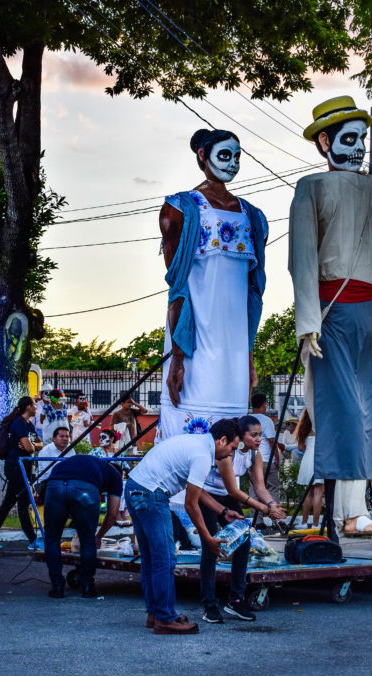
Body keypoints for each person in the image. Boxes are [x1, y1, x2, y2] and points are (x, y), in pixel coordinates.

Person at [288, 95, 372, 543]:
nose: (358, 147)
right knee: (344, 412)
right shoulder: (310, 187)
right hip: (331, 312)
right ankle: (348, 513)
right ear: (325, 141)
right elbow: (302, 258)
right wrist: (307, 320)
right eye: (350, 138)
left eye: (363, 138)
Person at [158, 128, 268, 444]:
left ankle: (227, 490)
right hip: (195, 338)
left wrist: (248, 355)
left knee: (232, 423)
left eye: (237, 156)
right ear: (203, 156)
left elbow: (252, 291)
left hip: (234, 342)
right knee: (190, 418)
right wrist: (177, 357)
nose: (232, 163)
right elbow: (177, 286)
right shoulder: (181, 209)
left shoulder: (254, 216)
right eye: (224, 155)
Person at [126, 419, 254, 635]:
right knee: (166, 559)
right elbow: (191, 503)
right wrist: (208, 538)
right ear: (222, 440)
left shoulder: (196, 444)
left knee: (151, 559)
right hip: (151, 494)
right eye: (232, 448)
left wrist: (222, 511)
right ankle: (165, 619)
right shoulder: (203, 456)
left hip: (135, 487)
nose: (230, 455)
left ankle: (155, 613)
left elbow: (199, 491)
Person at [198, 415, 285, 623]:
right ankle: (209, 605)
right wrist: (263, 509)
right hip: (207, 495)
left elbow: (260, 487)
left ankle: (235, 600)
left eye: (260, 435)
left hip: (228, 496)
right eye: (253, 435)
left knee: (244, 542)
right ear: (241, 435)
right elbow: (234, 490)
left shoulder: (255, 455)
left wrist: (272, 505)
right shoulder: (227, 453)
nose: (258, 440)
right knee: (211, 547)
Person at [42, 453, 123, 599]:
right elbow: (112, 514)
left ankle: (57, 586)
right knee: (87, 540)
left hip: (55, 485)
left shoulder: (91, 463)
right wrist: (98, 536)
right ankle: (87, 586)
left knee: (52, 539)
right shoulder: (116, 476)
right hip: (84, 489)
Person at [0, 397, 42, 550]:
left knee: (9, 502)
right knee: (23, 502)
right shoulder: (19, 423)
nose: (36, 408)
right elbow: (28, 448)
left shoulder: (29, 425)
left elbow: (37, 444)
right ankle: (32, 539)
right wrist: (32, 446)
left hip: (25, 467)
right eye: (34, 405)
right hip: (16, 466)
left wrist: (33, 445)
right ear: (28, 407)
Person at [293, 410, 324, 529]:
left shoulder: (304, 428)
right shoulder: (322, 425)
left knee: (308, 493)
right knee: (318, 493)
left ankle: (304, 522)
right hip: (319, 459)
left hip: (307, 459)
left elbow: (301, 447)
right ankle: (316, 524)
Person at [250, 393, 280, 504]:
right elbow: (271, 441)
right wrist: (276, 457)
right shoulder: (267, 420)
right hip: (267, 459)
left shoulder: (246, 419)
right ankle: (276, 518)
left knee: (254, 489)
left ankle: (257, 520)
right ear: (264, 405)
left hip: (251, 459)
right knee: (273, 488)